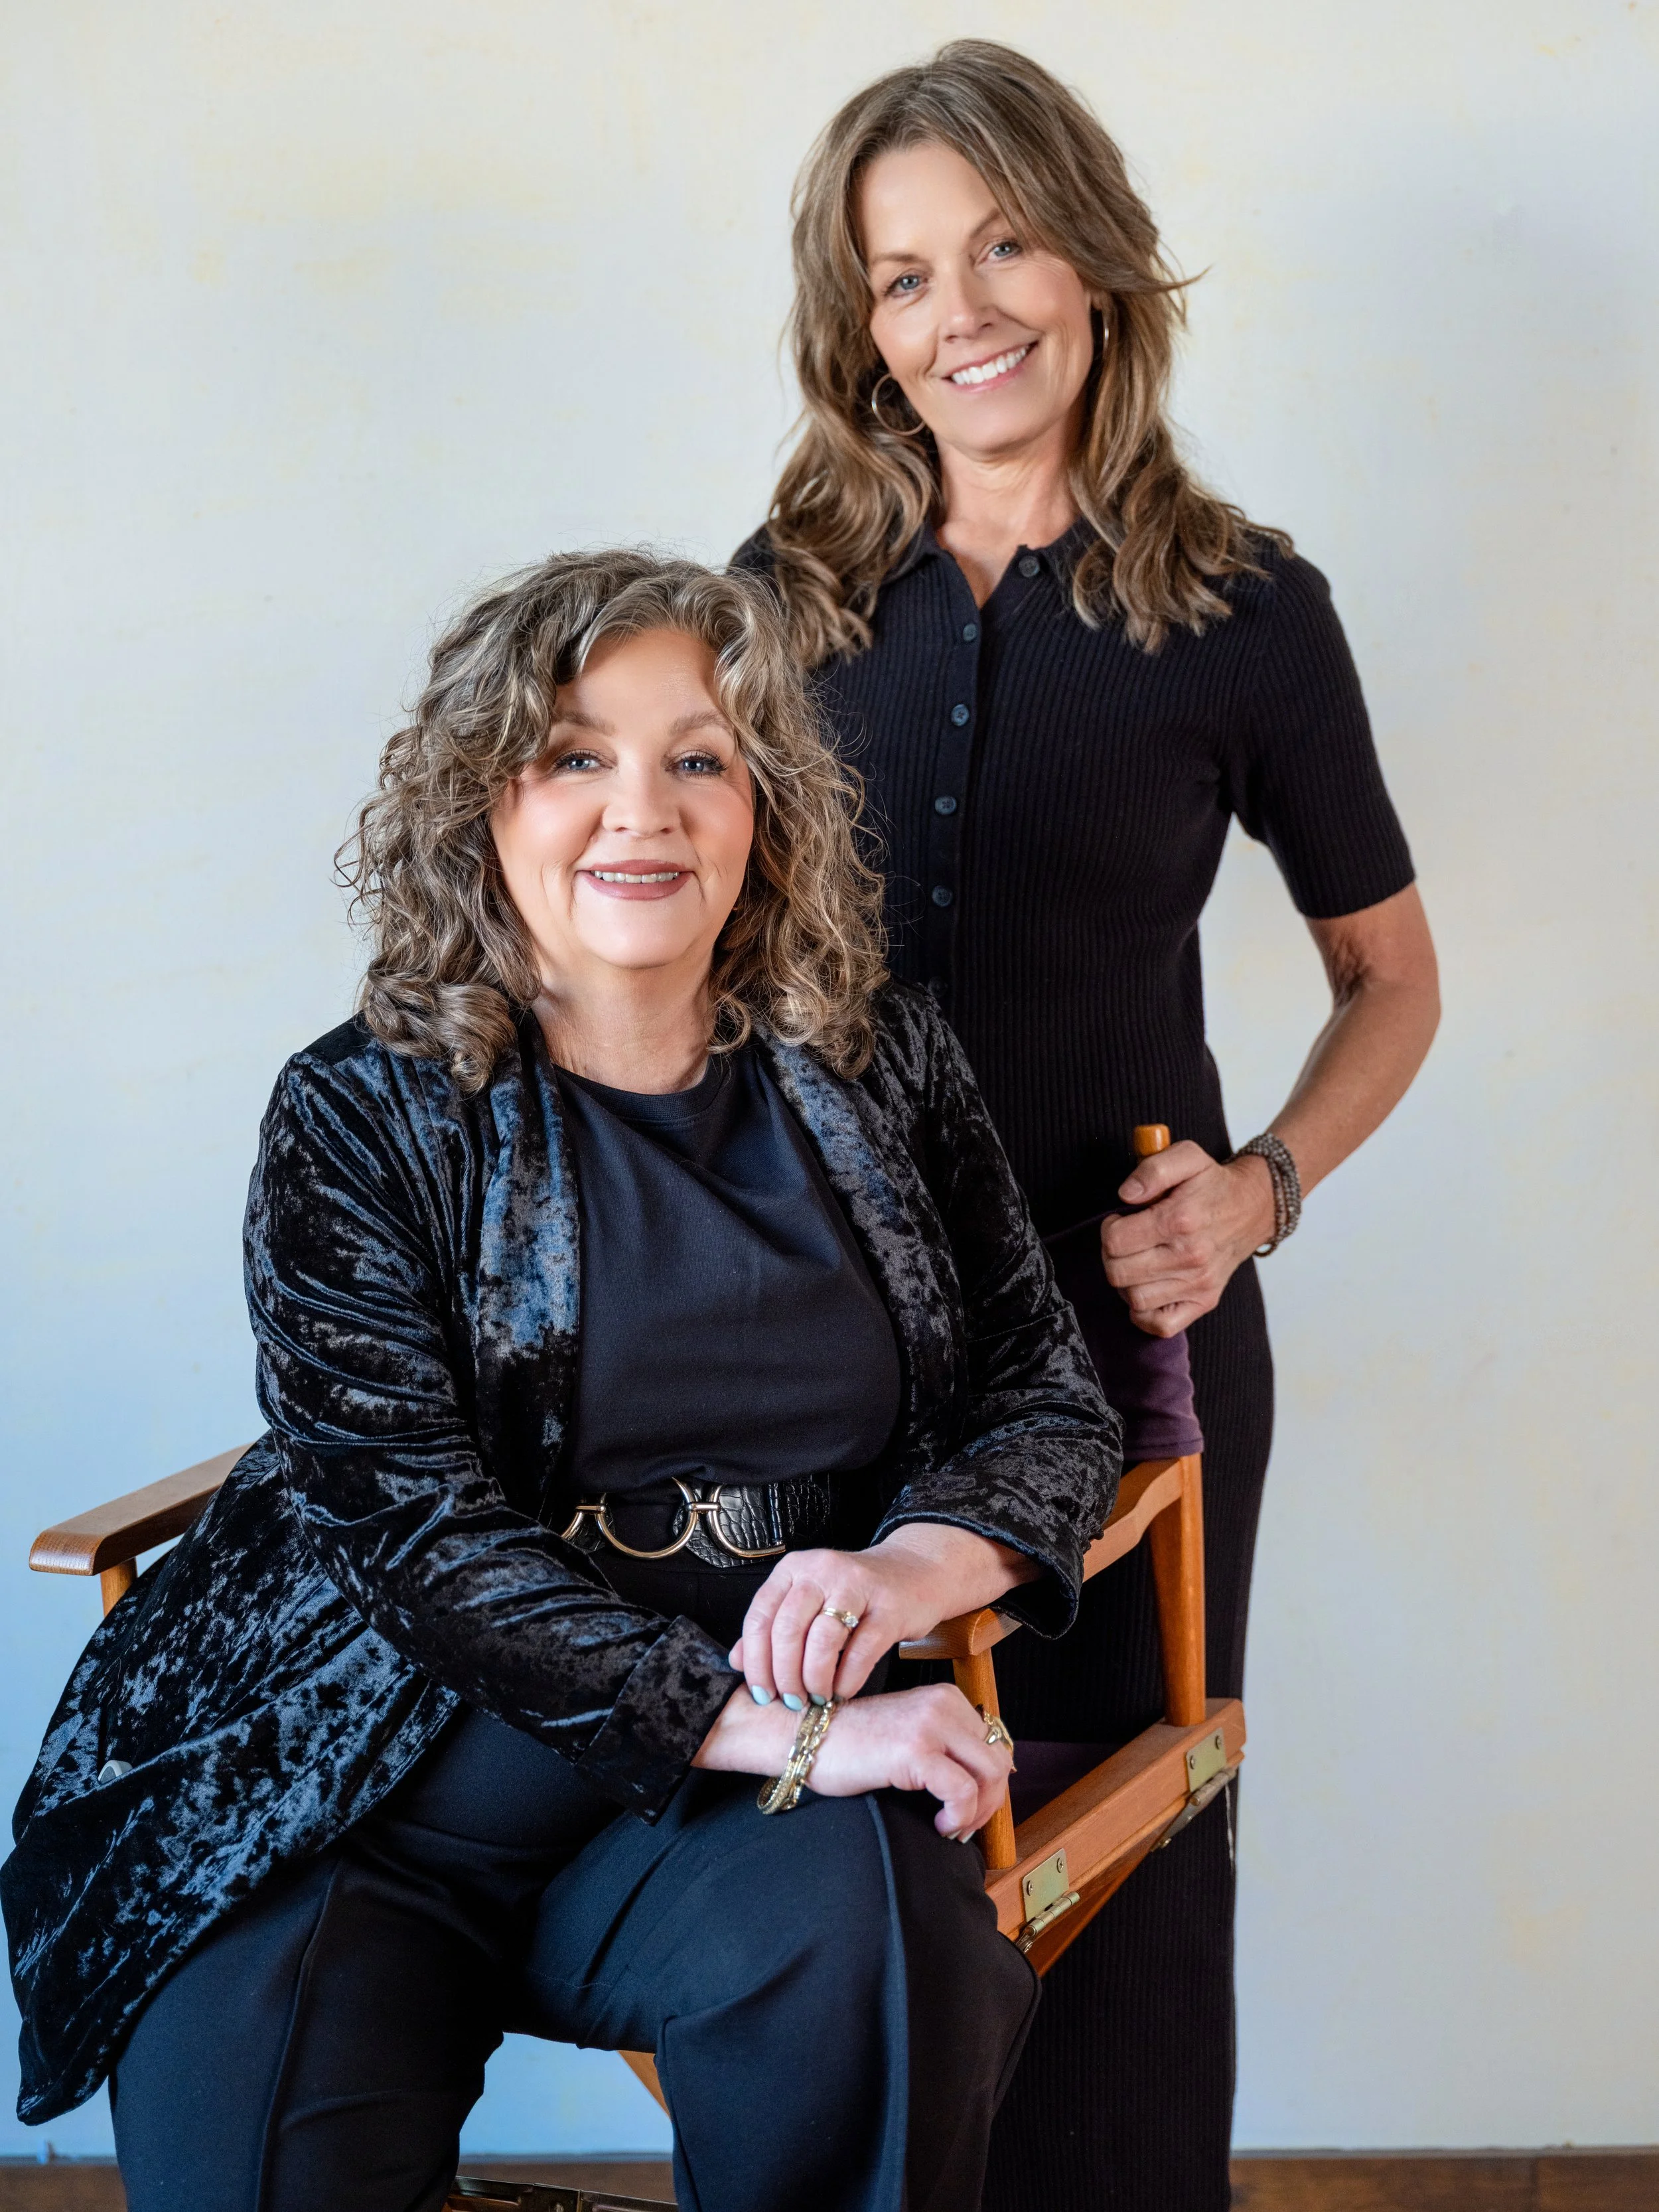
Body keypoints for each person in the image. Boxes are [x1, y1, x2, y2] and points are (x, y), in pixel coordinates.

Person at [1, 550, 1121, 2212]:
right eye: (574, 753)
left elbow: (1046, 1400)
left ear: (764, 805)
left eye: (698, 755)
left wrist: (904, 1568)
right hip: (355, 1779)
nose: (640, 811)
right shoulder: (359, 1111)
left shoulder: (879, 1061)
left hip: (710, 1822)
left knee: (890, 1951)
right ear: (481, 803)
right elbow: (414, 1538)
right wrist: (799, 1736)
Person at [735, 40, 1441, 2212]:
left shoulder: (1246, 613)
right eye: (905, 273)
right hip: (824, 1363)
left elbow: (1389, 980)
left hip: (1140, 1362)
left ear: (1096, 254)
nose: (963, 309)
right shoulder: (776, 599)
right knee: (854, 1879)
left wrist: (1261, 1192)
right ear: (859, 324)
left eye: (1004, 241)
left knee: (1130, 1884)